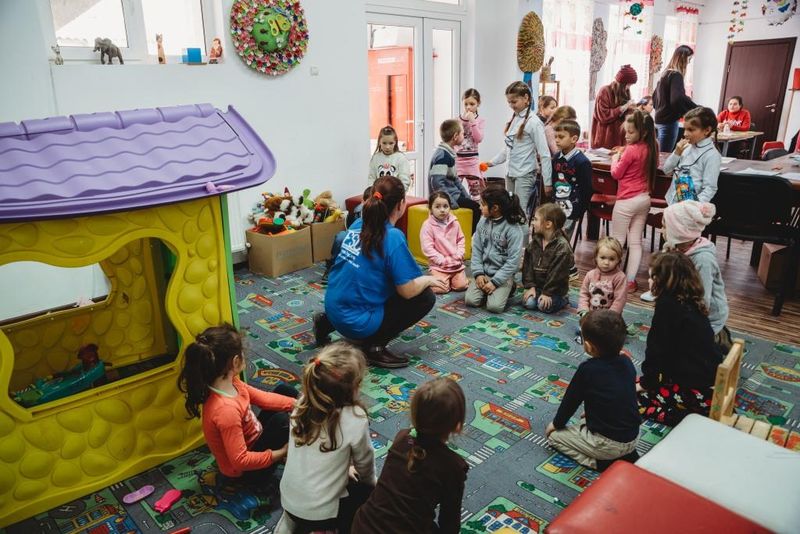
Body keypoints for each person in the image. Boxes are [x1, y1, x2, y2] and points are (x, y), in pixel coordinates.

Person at [314, 176, 446, 369]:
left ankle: (325, 323)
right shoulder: (393, 237)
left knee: (372, 277)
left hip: (333, 309)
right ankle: (375, 346)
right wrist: (428, 279)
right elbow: (407, 290)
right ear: (401, 204)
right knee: (424, 297)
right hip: (356, 324)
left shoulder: (358, 224)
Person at [177, 324, 298, 485]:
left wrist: (299, 404)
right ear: (235, 362)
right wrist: (281, 452)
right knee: (282, 421)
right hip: (243, 473)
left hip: (253, 438)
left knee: (285, 391)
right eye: (242, 352)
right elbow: (241, 461)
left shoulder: (232, 382)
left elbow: (264, 399)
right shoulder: (225, 411)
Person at [276, 343, 376, 534]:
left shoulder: (301, 406)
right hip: (322, 515)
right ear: (354, 387)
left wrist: (343, 468)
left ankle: (289, 524)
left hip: (288, 499)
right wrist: (371, 484)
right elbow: (365, 464)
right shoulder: (355, 417)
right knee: (366, 494)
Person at [352, 377, 468, 534]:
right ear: (457, 426)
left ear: (414, 414)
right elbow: (449, 523)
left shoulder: (401, 438)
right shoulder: (453, 467)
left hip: (363, 525)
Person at [546, 310, 641, 471]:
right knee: (586, 419)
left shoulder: (587, 369)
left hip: (607, 445)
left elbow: (570, 402)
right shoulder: (627, 361)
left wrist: (555, 424)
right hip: (633, 437)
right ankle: (625, 455)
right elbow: (622, 394)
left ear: (588, 346)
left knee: (554, 438)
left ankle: (601, 463)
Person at [637, 252, 723, 426]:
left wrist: (647, 383)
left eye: (652, 277)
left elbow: (656, 351)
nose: (649, 281)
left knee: (630, 400)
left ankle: (689, 419)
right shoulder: (691, 300)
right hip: (709, 378)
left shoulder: (667, 306)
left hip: (696, 390)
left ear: (664, 281)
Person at [662, 201, 732, 352]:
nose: (662, 230)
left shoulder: (703, 260)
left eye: (665, 227)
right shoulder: (676, 248)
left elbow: (702, 300)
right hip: (686, 306)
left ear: (679, 231)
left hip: (707, 317)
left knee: (694, 352)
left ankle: (719, 340)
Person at [484, 82, 553, 220]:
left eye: (514, 101)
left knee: (520, 213)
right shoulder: (515, 118)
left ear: (526, 98)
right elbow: (508, 148)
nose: (511, 105)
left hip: (524, 174)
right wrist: (491, 163)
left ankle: (522, 235)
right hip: (511, 172)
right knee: (509, 211)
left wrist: (547, 182)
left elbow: (544, 154)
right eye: (509, 102)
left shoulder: (534, 122)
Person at [610, 110, 659, 293]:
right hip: (644, 199)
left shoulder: (631, 150)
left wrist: (615, 159)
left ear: (643, 133)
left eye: (630, 132)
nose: (626, 135)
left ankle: (612, 279)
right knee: (636, 242)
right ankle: (630, 281)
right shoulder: (652, 146)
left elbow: (616, 174)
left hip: (626, 200)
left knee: (617, 240)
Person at [465, 184, 526, 313]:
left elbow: (513, 262)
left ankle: (510, 286)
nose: (479, 207)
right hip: (484, 272)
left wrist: (495, 282)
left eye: (483, 204)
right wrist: (478, 274)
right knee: (471, 301)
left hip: (502, 275)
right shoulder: (482, 222)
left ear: (495, 208)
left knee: (494, 307)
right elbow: (476, 250)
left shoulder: (513, 229)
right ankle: (491, 289)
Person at [428, 119, 481, 232]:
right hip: (448, 196)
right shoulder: (443, 156)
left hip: (453, 194)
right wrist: (450, 202)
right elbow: (437, 182)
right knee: (477, 209)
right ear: (455, 136)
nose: (464, 136)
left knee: (475, 205)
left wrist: (466, 196)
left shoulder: (448, 153)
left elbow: (455, 180)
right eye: (462, 134)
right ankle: (470, 237)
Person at [522, 203, 574, 313]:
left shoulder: (562, 247)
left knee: (543, 306)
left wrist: (547, 293)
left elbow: (557, 275)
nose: (533, 223)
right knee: (529, 303)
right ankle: (540, 295)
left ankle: (563, 299)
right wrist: (530, 286)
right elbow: (527, 266)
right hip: (538, 287)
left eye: (536, 219)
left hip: (555, 290)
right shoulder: (535, 241)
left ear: (548, 224)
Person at [663, 106, 721, 205]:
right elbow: (666, 170)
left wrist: (692, 207)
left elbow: (710, 188)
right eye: (685, 129)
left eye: (690, 130)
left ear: (707, 130)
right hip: (672, 202)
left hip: (690, 208)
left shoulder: (712, 155)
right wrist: (676, 153)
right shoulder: (685, 147)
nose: (685, 134)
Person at [551, 119, 592, 248]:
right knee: (553, 235)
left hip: (572, 207)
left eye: (561, 137)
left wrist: (581, 211)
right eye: (555, 137)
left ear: (574, 139)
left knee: (562, 239)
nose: (557, 140)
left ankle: (562, 258)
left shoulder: (582, 162)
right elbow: (554, 180)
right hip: (557, 204)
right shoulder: (556, 157)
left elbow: (587, 189)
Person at [421, 191, 467, 294]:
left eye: (445, 206)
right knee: (440, 289)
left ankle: (453, 278)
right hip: (439, 266)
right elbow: (427, 247)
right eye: (437, 207)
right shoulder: (427, 225)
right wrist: (441, 260)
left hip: (455, 264)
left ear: (450, 207)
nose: (442, 210)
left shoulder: (455, 222)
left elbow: (461, 239)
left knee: (461, 286)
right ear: (431, 209)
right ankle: (433, 277)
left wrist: (460, 254)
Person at [653, 45, 697, 152]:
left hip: (658, 121)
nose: (688, 63)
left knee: (657, 155)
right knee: (664, 156)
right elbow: (677, 99)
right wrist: (696, 109)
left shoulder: (665, 74)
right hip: (668, 123)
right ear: (683, 58)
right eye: (689, 59)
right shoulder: (676, 75)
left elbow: (654, 98)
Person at [323, 186, 372, 282]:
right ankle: (331, 266)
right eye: (369, 202)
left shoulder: (381, 213)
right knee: (340, 237)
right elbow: (349, 228)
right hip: (355, 235)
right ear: (363, 202)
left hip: (370, 236)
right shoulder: (357, 212)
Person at [578, 236, 627, 317]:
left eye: (612, 259)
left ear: (618, 260)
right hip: (590, 315)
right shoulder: (590, 274)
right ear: (596, 257)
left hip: (609, 318)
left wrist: (610, 316)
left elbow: (620, 300)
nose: (606, 262)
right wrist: (584, 310)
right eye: (602, 258)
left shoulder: (620, 277)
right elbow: (584, 294)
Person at [591, 65, 637, 150]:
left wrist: (632, 109)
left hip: (619, 136)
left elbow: (626, 115)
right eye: (628, 85)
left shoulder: (625, 92)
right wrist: (623, 108)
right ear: (622, 83)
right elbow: (603, 115)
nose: (628, 88)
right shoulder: (604, 91)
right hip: (605, 137)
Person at [457, 88, 486, 201]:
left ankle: (476, 211)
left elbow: (478, 139)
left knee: (475, 194)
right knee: (454, 191)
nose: (468, 107)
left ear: (478, 104)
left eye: (472, 104)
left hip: (472, 162)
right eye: (466, 104)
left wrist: (473, 122)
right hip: (458, 161)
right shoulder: (457, 120)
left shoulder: (480, 120)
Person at [368, 125, 411, 192]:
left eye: (391, 143)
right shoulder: (375, 158)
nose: (387, 147)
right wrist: (372, 192)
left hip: (396, 194)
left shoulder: (401, 158)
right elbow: (371, 178)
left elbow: (405, 180)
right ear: (379, 142)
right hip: (378, 194)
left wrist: (399, 194)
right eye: (384, 143)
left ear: (395, 142)